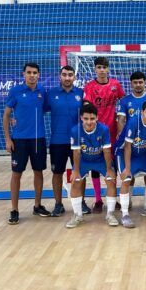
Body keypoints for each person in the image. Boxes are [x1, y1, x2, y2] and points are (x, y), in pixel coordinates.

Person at [3, 62, 50, 224]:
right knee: (16, 174)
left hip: (38, 139)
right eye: (29, 72)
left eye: (35, 72)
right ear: (23, 74)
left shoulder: (42, 91)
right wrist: (8, 139)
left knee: (38, 172)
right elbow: (6, 115)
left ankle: (37, 206)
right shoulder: (15, 91)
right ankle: (14, 210)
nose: (32, 75)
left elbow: (46, 109)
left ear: (39, 75)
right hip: (19, 140)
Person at [45, 65, 91, 217]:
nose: (67, 77)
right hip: (57, 141)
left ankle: (81, 202)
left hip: (78, 141)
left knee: (81, 173)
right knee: (57, 173)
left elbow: (89, 116)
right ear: (60, 76)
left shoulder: (81, 94)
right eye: (64, 74)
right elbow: (37, 110)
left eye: (70, 75)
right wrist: (16, 118)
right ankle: (58, 205)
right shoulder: (51, 94)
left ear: (74, 77)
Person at [65, 103, 118, 228]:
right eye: (86, 119)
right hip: (84, 160)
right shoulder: (75, 130)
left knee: (111, 181)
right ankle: (77, 215)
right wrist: (76, 171)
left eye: (92, 118)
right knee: (75, 182)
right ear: (81, 118)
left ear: (97, 118)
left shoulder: (104, 129)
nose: (89, 122)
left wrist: (109, 169)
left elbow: (106, 151)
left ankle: (110, 214)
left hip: (100, 159)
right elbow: (76, 152)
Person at [83, 56, 124, 213]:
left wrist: (120, 118)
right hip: (95, 132)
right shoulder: (89, 87)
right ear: (95, 69)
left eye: (104, 67)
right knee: (95, 166)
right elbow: (87, 108)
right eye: (99, 67)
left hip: (113, 132)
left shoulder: (115, 85)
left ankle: (114, 198)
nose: (101, 70)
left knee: (112, 166)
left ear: (108, 69)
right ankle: (98, 200)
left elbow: (124, 102)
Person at [115, 100, 146, 228]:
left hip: (141, 153)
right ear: (142, 112)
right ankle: (125, 214)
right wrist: (128, 169)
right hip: (123, 153)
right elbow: (127, 146)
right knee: (127, 179)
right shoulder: (133, 122)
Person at [116, 70, 146, 209]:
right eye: (135, 82)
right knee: (130, 173)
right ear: (131, 84)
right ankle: (127, 201)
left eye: (140, 82)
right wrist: (121, 134)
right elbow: (121, 119)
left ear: (145, 83)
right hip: (130, 141)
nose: (138, 85)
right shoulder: (125, 100)